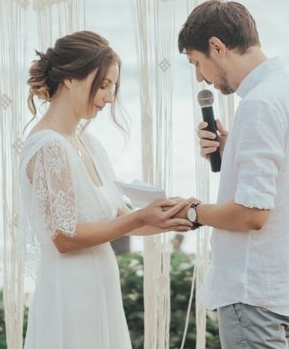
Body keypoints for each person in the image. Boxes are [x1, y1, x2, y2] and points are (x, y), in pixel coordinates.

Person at [18, 30, 192, 349]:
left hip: (100, 291)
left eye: (112, 86)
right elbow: (64, 238)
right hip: (69, 296)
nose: (110, 97)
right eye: (104, 85)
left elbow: (120, 216)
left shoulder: (89, 143)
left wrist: (175, 215)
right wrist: (139, 219)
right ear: (70, 78)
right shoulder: (48, 147)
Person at [179, 0, 289, 349]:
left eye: (197, 63)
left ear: (217, 47)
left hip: (253, 292)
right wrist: (232, 150)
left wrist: (191, 211)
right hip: (286, 290)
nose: (200, 76)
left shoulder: (259, 104)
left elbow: (251, 214)